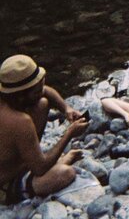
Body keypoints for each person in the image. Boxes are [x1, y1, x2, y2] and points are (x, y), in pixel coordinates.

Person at [0, 55, 89, 204]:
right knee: (65, 174)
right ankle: (57, 163)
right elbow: (40, 168)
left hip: (18, 160)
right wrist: (69, 133)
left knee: (42, 104)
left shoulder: (10, 94)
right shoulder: (19, 121)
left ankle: (43, 159)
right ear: (22, 95)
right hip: (6, 182)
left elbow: (46, 91)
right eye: (37, 90)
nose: (42, 90)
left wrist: (66, 108)